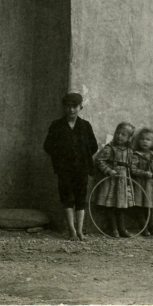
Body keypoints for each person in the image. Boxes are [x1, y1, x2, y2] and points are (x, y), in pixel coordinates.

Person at [43, 92, 98, 240]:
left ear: (81, 107)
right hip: (64, 169)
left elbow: (93, 146)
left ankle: (80, 231)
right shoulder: (56, 126)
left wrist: (82, 156)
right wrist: (61, 156)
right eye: (68, 107)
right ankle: (72, 231)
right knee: (67, 198)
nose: (71, 110)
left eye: (74, 107)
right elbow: (48, 146)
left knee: (80, 199)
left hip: (82, 168)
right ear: (64, 108)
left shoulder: (85, 126)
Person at [92, 121, 137, 237]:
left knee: (121, 205)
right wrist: (108, 170)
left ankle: (122, 228)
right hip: (111, 181)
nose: (119, 136)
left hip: (123, 181)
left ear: (129, 138)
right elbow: (99, 160)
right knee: (111, 204)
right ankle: (113, 229)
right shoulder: (109, 149)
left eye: (124, 134)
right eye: (118, 133)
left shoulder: (130, 151)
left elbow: (133, 165)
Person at [129, 127, 153, 237]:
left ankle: (151, 227)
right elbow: (133, 169)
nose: (145, 141)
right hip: (139, 186)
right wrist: (144, 173)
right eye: (142, 139)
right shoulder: (135, 155)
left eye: (148, 139)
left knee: (149, 207)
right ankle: (143, 228)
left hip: (149, 186)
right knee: (139, 208)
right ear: (138, 141)